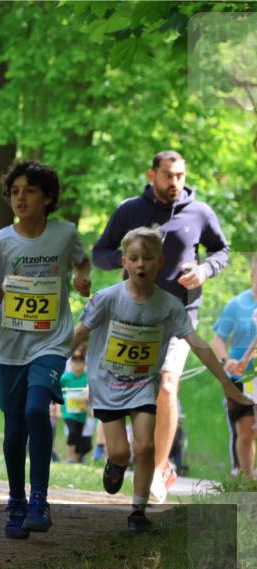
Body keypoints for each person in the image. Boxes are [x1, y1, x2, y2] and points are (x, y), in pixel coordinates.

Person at [72, 227, 251, 531]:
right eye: (134, 258)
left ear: (160, 262)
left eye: (148, 258)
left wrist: (225, 382)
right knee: (121, 452)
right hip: (107, 385)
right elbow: (78, 335)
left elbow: (199, 344)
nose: (141, 264)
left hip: (143, 385)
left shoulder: (170, 306)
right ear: (124, 263)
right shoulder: (107, 299)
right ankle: (115, 463)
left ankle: (137, 512)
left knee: (145, 448)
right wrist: (46, 365)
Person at [92, 150, 230, 503]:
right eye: (168, 175)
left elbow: (222, 251)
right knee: (125, 386)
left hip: (180, 314)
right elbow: (100, 252)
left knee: (167, 386)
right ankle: (118, 455)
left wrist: (204, 271)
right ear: (151, 174)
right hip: (132, 317)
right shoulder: (129, 210)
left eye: (181, 175)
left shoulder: (200, 212)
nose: (175, 183)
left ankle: (156, 467)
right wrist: (128, 262)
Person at [0, 160, 91, 539]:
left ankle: (39, 498)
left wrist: (81, 277)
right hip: (11, 346)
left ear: (48, 197)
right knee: (13, 430)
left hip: (52, 341)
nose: (20, 198)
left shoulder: (65, 233)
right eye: (14, 192)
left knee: (36, 408)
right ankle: (16, 501)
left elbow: (81, 260)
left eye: (29, 191)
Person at [212, 256, 257, 478]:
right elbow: (218, 339)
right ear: (252, 276)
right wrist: (225, 359)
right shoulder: (237, 304)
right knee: (245, 429)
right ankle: (245, 477)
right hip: (239, 377)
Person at [60, 349, 91, 463]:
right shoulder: (65, 378)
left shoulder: (87, 378)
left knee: (78, 435)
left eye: (80, 362)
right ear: (71, 364)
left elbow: (92, 393)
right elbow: (56, 388)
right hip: (68, 411)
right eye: (75, 361)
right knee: (72, 432)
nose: (78, 365)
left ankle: (77, 459)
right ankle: (70, 457)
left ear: (84, 364)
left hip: (81, 412)